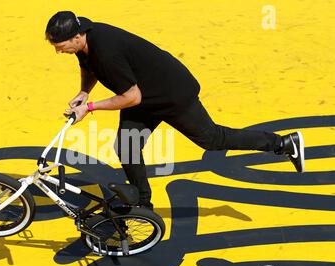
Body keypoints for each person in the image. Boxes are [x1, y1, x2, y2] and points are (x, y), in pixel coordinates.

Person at [45, 11, 305, 210]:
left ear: (77, 36)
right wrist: (84, 92)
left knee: (213, 139)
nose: (58, 51)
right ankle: (142, 205)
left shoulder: (106, 52)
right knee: (127, 147)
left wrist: (89, 108)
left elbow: (131, 97)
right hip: (146, 96)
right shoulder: (87, 41)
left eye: (60, 45)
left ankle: (283, 143)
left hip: (171, 95)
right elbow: (88, 67)